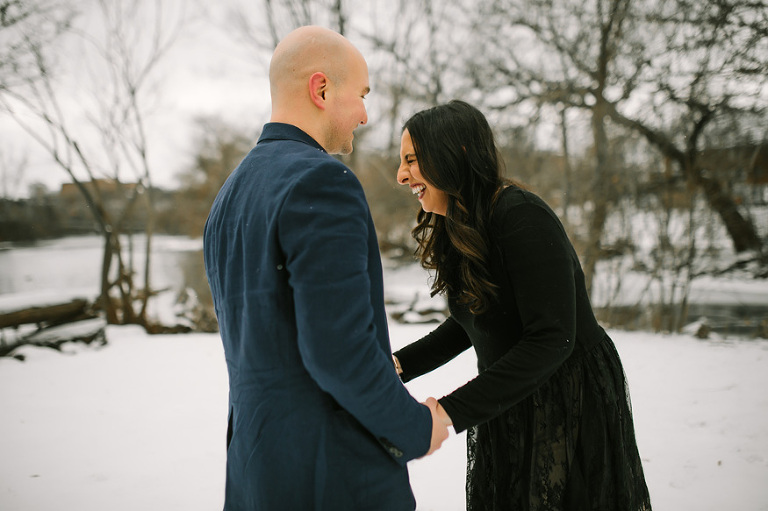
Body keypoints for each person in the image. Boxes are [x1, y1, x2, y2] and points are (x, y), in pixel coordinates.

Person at [203, 26, 449, 510]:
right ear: (321, 89)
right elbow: (340, 353)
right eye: (360, 94)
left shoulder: (228, 197)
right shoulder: (322, 182)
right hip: (332, 478)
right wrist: (418, 428)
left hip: (257, 473)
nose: (364, 114)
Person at [392, 100, 653, 510]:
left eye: (412, 159)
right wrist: (397, 366)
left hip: (568, 401)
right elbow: (469, 322)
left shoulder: (521, 216)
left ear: (454, 154)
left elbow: (552, 338)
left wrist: (446, 413)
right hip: (509, 398)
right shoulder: (461, 224)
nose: (401, 175)